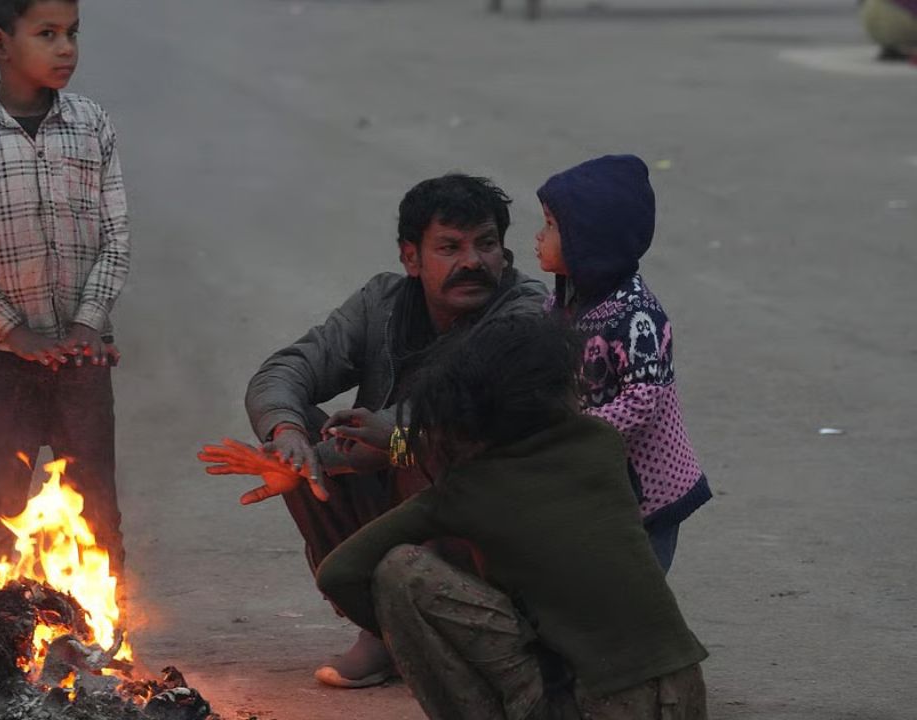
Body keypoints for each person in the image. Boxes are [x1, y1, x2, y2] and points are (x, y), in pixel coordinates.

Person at [201, 174, 548, 688]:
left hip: (491, 507)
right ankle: (382, 630)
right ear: (412, 258)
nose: (472, 261)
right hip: (400, 477)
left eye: (486, 244)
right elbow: (285, 371)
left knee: (411, 454)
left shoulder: (524, 311)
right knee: (297, 460)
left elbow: (457, 424)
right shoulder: (381, 303)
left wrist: (361, 451)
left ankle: (472, 635)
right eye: (449, 247)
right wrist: (290, 438)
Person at [316, 315, 709, 720]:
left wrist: (404, 633)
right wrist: (400, 442)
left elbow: (337, 573)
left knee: (401, 570)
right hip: (683, 691)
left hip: (596, 707)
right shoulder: (601, 442)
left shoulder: (464, 491)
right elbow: (512, 461)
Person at [0, 0, 130, 570]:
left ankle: (102, 643)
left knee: (97, 512)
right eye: (47, 34)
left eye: (72, 33)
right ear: (0, 44)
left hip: (82, 360)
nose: (66, 47)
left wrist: (87, 323)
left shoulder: (92, 125)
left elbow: (117, 232)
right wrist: (16, 333)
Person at [533, 154, 710, 571]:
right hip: (596, 478)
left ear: (588, 240)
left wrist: (568, 431)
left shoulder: (637, 317)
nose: (538, 237)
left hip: (650, 490)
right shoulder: (560, 305)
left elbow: (642, 400)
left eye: (552, 227)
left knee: (639, 584)